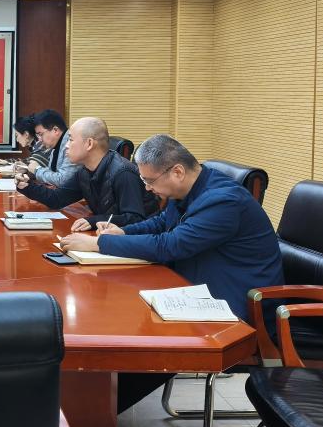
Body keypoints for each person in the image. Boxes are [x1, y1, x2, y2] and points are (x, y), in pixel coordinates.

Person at [58, 133, 283, 412]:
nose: (147, 188)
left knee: (144, 337)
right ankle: (87, 407)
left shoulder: (224, 201)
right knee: (122, 314)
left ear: (177, 171)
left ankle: (93, 415)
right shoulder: (189, 188)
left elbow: (170, 244)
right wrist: (123, 232)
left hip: (235, 305)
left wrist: (99, 244)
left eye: (149, 181)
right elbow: (162, 223)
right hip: (197, 288)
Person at [17, 117, 157, 229]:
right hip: (107, 235)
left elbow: (135, 218)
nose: (66, 146)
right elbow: (57, 199)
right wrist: (27, 186)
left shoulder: (123, 173)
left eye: (70, 140)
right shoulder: (84, 171)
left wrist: (93, 221)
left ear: (89, 144)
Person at [16, 109, 78, 188]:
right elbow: (52, 175)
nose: (39, 139)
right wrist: (29, 171)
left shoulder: (70, 145)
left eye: (40, 134)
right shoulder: (56, 145)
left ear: (55, 130)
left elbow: (63, 180)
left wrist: (37, 170)